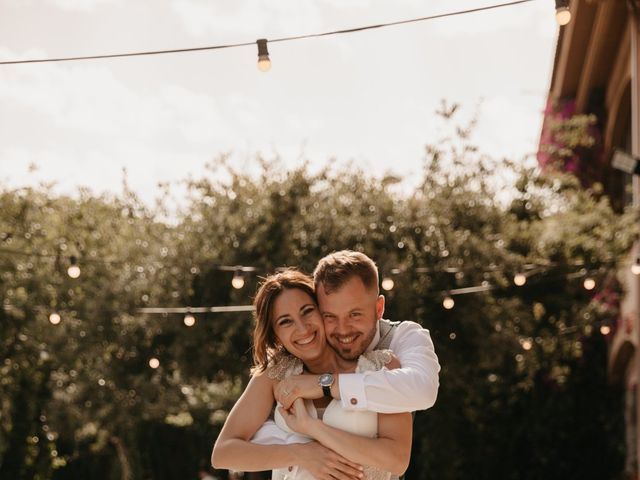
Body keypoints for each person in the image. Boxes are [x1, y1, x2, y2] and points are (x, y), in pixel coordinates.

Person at [212, 270, 413, 480]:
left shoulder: (380, 367)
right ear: (275, 334)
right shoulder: (276, 373)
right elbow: (223, 453)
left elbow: (397, 460)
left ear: (322, 310)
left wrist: (312, 428)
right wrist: (301, 454)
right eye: (285, 321)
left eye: (307, 311)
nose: (302, 328)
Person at [271, 250, 440, 415]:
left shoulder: (406, 335)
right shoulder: (304, 348)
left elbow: (424, 391)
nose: (343, 330)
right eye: (330, 316)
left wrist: (324, 385)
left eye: (354, 315)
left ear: (379, 308)